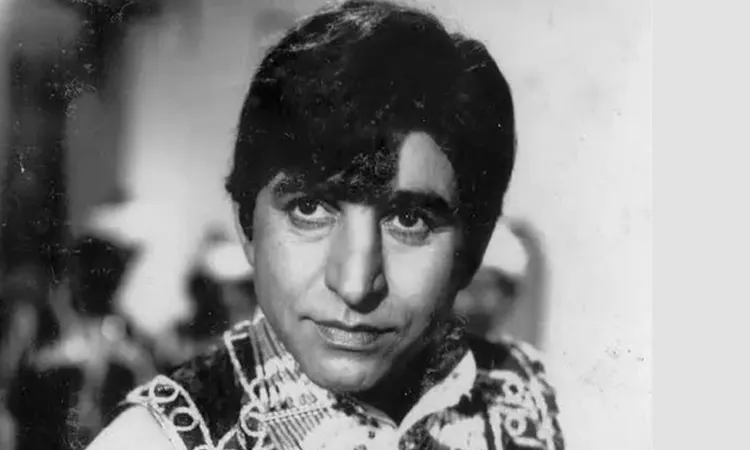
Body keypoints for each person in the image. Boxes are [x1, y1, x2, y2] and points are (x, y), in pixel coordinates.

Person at [86, 1, 565, 448]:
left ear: (472, 249)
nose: (355, 284)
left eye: (408, 219)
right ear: (247, 226)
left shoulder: (535, 401)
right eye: (310, 210)